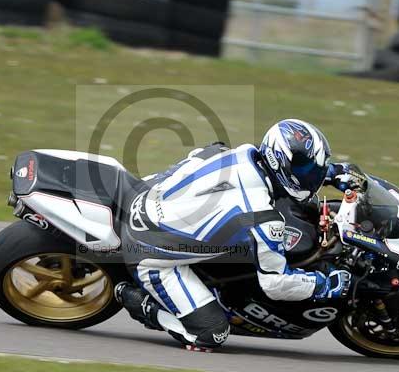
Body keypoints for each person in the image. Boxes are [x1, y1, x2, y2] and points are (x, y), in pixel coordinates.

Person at [115, 119, 361, 351]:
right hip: (149, 252)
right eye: (304, 166)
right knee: (212, 334)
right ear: (279, 161)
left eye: (312, 166)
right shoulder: (262, 216)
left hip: (148, 197)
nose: (310, 172)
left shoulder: (247, 154)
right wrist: (325, 284)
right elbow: (275, 284)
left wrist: (332, 172)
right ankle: (141, 305)